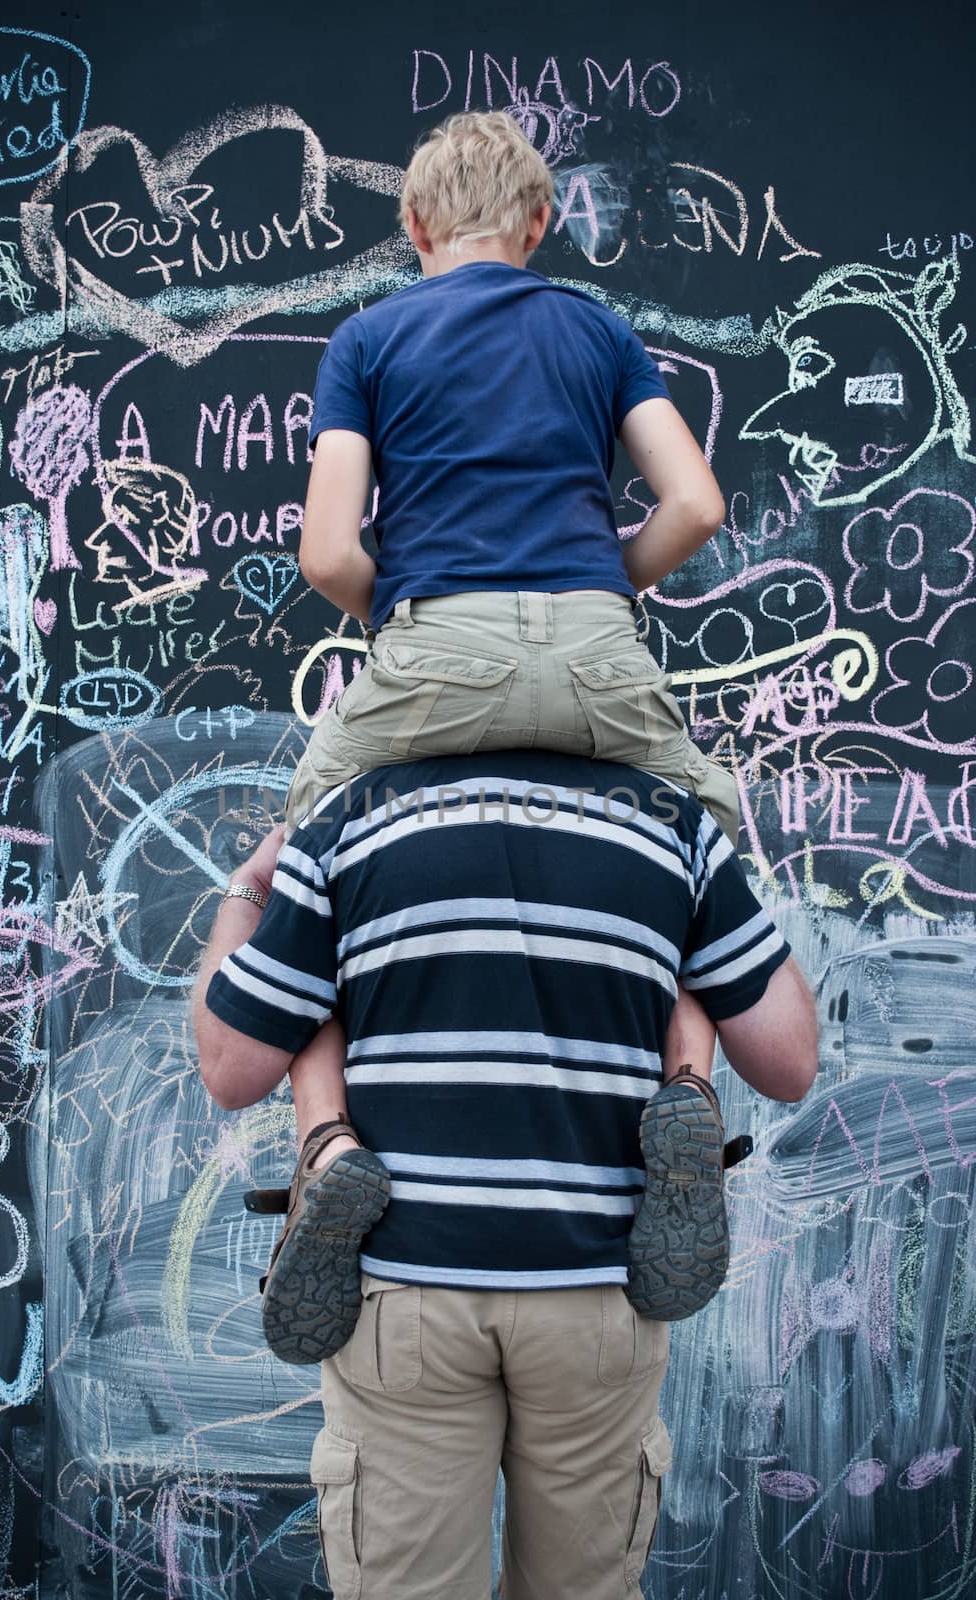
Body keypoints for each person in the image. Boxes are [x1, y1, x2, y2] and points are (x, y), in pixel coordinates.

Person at [256, 110, 744, 1313]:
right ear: (538, 225)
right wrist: (599, 585)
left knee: (295, 864)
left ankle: (327, 1145)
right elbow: (693, 504)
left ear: (412, 223)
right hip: (593, 639)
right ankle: (684, 1095)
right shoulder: (597, 328)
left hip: (432, 641)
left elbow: (327, 552)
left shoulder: (366, 339)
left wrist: (419, 607)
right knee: (707, 836)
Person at [194, 752, 818, 1600]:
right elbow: (788, 1062)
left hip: (406, 1282)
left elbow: (231, 1069)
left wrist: (246, 893)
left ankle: (329, 1142)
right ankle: (687, 1085)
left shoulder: (345, 818)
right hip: (596, 1281)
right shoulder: (672, 821)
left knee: (310, 979)